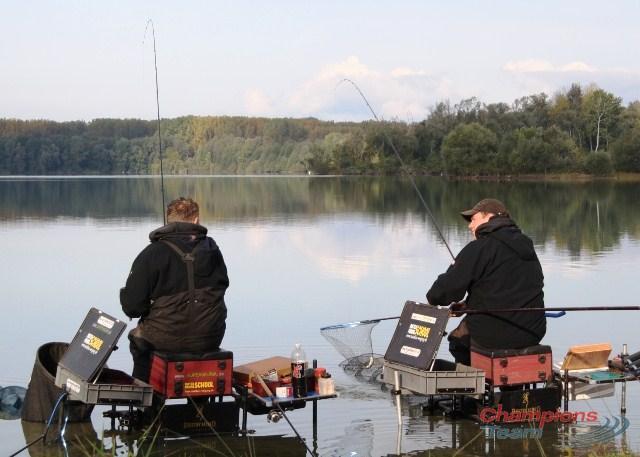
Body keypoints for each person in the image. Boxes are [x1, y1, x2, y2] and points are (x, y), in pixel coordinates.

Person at [120, 197, 229, 381]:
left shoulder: (152, 253)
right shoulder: (213, 250)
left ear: (168, 220)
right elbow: (222, 287)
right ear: (196, 219)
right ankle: (201, 404)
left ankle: (146, 403)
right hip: (210, 337)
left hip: (162, 339)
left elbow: (132, 307)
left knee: (138, 341)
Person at [426, 198, 546, 365]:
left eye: (473, 219)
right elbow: (507, 289)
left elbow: (440, 294)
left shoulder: (479, 248)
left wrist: (435, 295)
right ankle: (509, 385)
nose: (469, 225)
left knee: (458, 340)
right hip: (532, 331)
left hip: (492, 336)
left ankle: (474, 385)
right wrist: (469, 305)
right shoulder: (528, 248)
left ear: (488, 216)